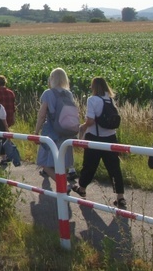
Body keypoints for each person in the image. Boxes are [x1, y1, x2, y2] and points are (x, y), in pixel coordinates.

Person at [69, 77, 127, 209]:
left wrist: (82, 128)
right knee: (114, 168)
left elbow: (90, 121)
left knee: (89, 165)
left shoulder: (92, 100)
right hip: (111, 137)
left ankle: (82, 188)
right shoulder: (110, 99)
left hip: (95, 137)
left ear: (94, 87)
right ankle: (120, 197)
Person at [34, 68, 76, 191]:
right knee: (61, 163)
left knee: (44, 162)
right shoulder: (69, 94)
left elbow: (42, 115)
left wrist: (36, 131)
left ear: (52, 79)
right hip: (66, 132)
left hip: (51, 133)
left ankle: (64, 185)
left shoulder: (48, 93)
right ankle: (65, 184)